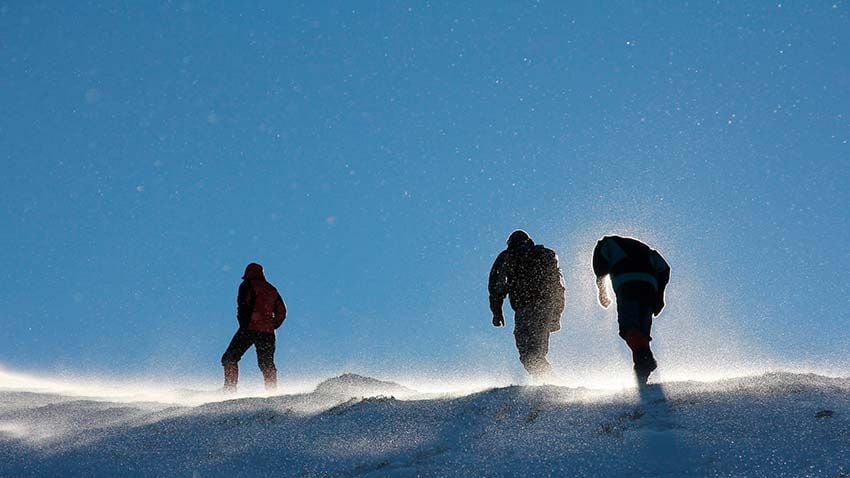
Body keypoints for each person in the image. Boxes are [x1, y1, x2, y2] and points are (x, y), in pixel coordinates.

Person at [592, 235, 670, 385]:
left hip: (628, 284)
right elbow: (664, 268)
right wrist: (660, 295)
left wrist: (602, 291)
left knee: (629, 328)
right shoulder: (647, 251)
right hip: (649, 289)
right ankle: (642, 374)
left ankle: (645, 359)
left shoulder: (607, 243)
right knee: (642, 332)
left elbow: (600, 266)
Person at [489, 230, 566, 380]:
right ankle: (547, 382)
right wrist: (556, 314)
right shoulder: (545, 254)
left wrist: (496, 311)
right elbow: (558, 286)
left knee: (527, 353)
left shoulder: (508, 257)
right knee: (537, 352)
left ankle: (548, 382)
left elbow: (496, 286)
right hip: (545, 307)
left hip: (525, 309)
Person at [221, 262, 287, 393]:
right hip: (268, 332)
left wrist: (244, 323)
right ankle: (272, 392)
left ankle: (229, 390)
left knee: (229, 358)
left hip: (250, 328)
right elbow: (282, 311)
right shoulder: (272, 289)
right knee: (266, 364)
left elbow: (243, 305)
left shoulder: (247, 285)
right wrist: (273, 325)